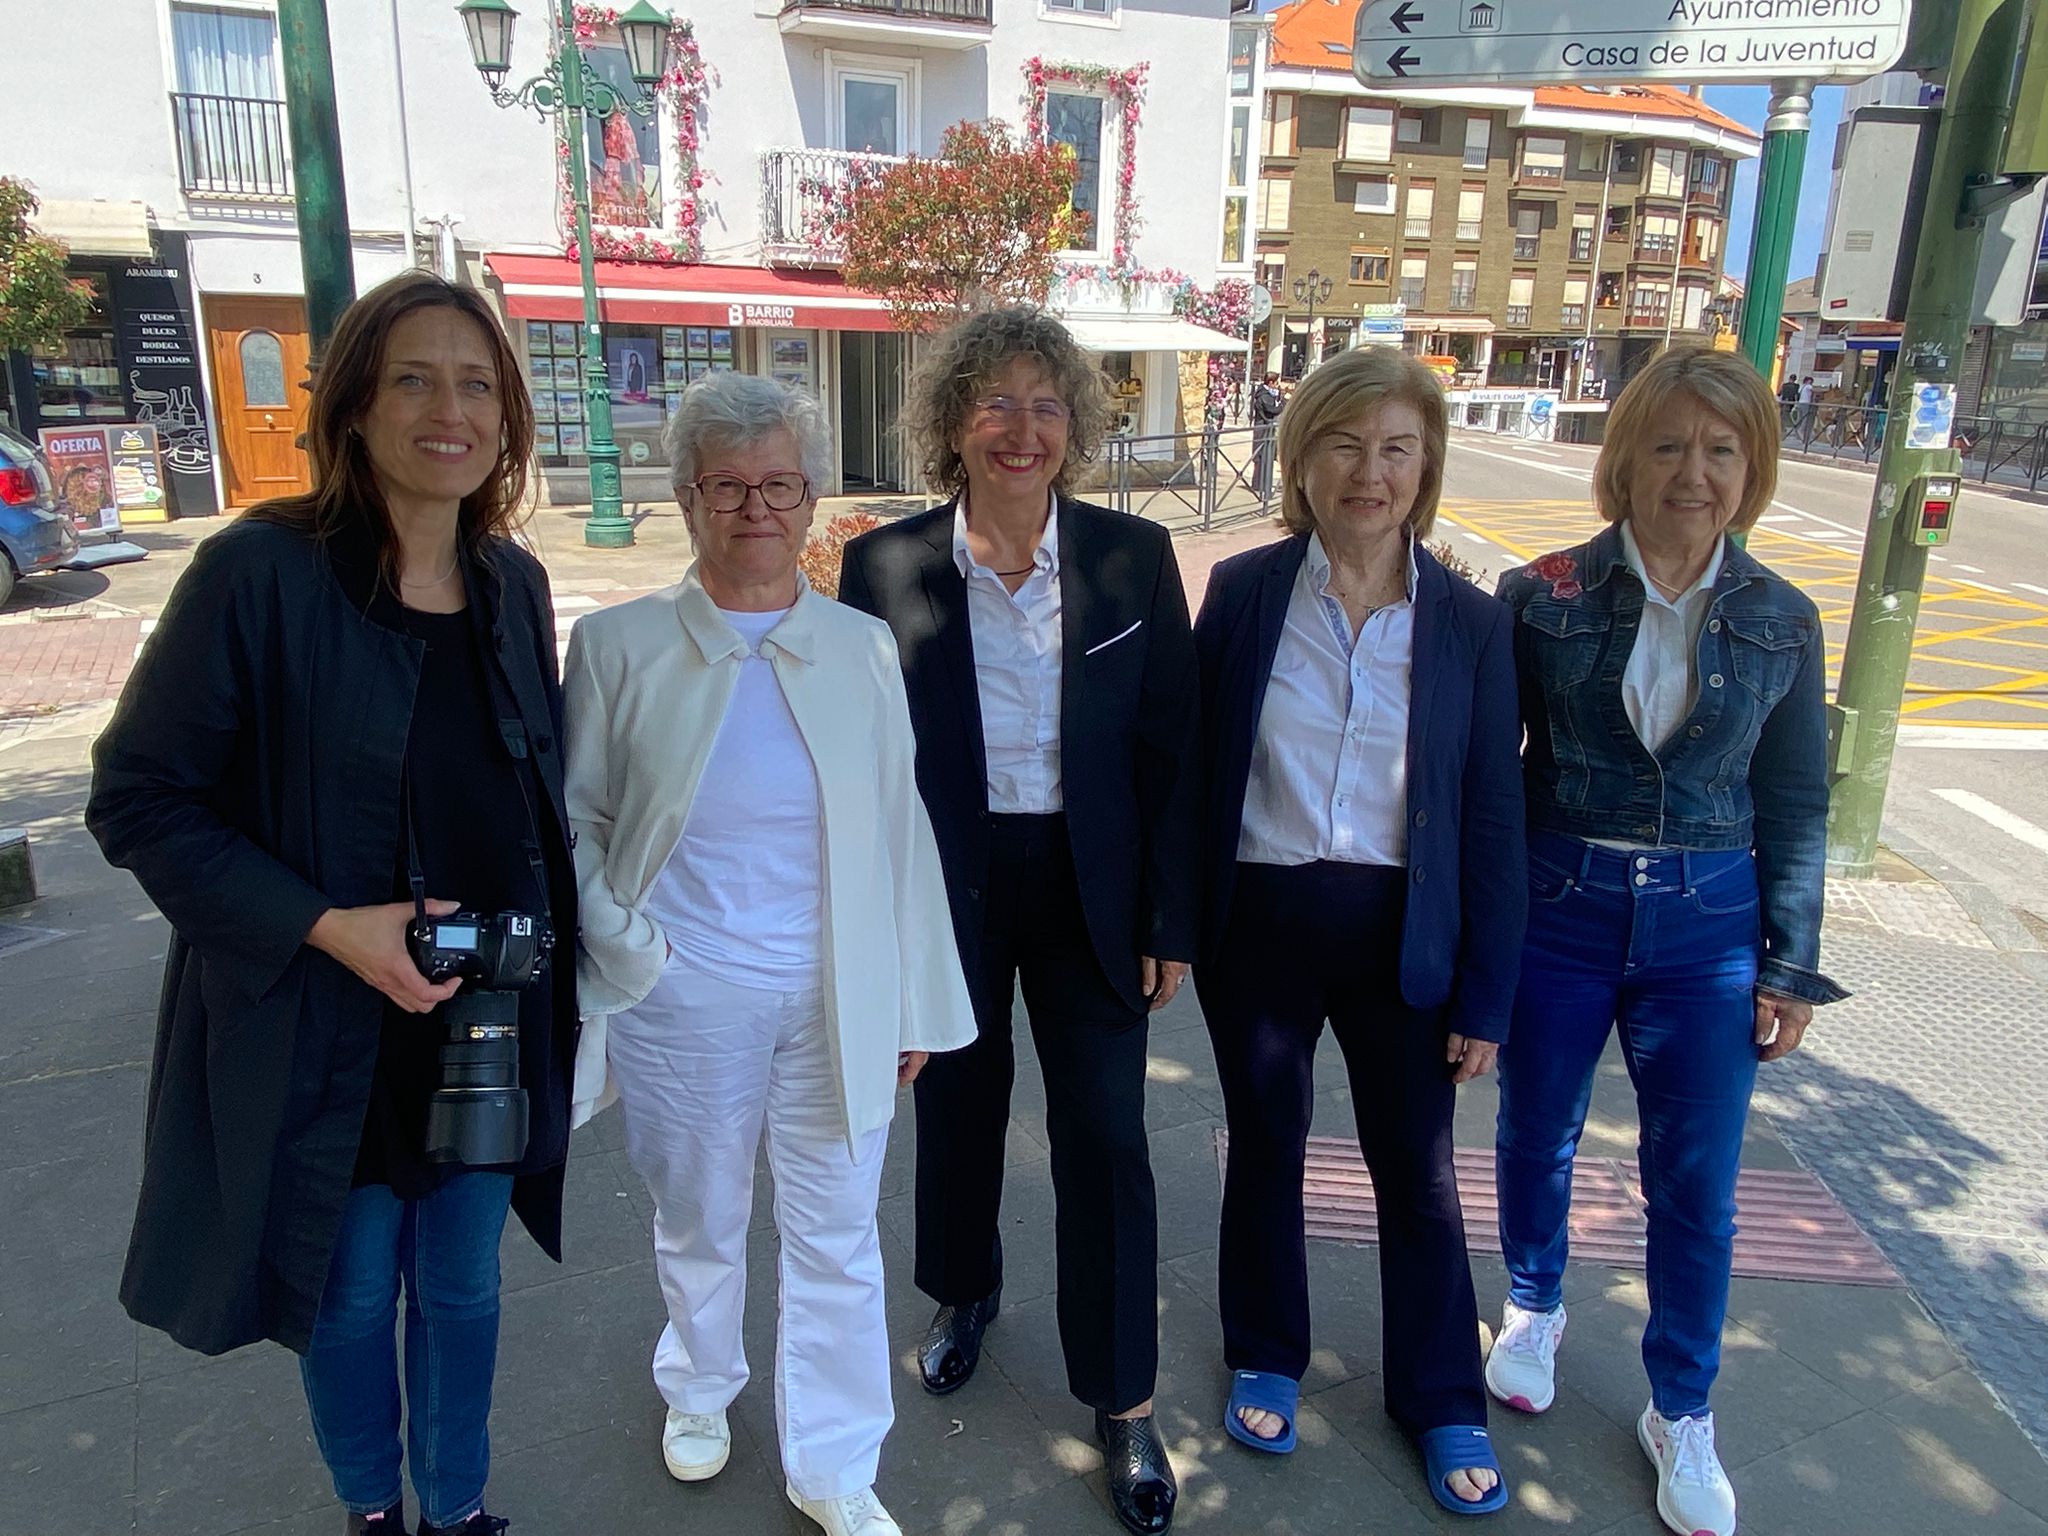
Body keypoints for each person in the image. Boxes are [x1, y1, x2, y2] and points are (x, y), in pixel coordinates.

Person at [86, 271, 578, 1536]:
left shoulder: (513, 583)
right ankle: (372, 1510)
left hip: (478, 1017)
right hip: (324, 1022)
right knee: (350, 1294)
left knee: (463, 1289)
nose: (449, 411)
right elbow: (138, 799)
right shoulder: (257, 574)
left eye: (476, 384)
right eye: (413, 378)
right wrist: (328, 926)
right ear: (354, 404)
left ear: (508, 416)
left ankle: (456, 1509)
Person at [563, 371, 976, 1536]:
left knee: (837, 1229)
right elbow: (575, 817)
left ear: (810, 500)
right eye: (727, 486)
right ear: (686, 498)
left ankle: (834, 1462)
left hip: (836, 992)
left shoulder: (859, 646)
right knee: (698, 1213)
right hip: (680, 989)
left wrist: (911, 1001)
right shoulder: (616, 645)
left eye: (780, 485)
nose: (756, 508)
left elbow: (898, 827)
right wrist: (627, 945)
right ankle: (698, 1384)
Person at [838, 306, 1201, 1536]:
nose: (1020, 427)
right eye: (993, 400)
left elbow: (1173, 750)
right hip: (947, 886)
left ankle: (1123, 1397)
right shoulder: (884, 566)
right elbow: (862, 760)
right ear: (952, 420)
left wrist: (1169, 918)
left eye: (1046, 404)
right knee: (957, 1103)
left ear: (1074, 427)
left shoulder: (1131, 557)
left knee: (1105, 1136)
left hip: (1091, 887)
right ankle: (963, 1290)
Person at [1487, 348, 1848, 1536]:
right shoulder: (1539, 594)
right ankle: (1533, 1302)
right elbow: (1492, 776)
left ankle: (1680, 1407)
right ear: (1623, 460)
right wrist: (1481, 930)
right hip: (1559, 903)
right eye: (1668, 445)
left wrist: (1788, 963)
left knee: (1694, 1183)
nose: (1693, 472)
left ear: (1751, 468)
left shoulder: (1781, 618)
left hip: (1708, 925)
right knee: (1534, 1131)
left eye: (1721, 450)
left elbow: (1794, 798)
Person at [1192, 347, 1524, 1516]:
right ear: (1300, 459)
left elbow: (1492, 816)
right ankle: (1264, 1350)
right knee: (1263, 1144)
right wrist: (1172, 924)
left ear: (1425, 466)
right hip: (1260, 922)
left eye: (1394, 449)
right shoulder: (1243, 592)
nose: (1367, 473)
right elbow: (1195, 772)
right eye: (1342, 444)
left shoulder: (1471, 624)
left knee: (1417, 1169)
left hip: (1403, 934)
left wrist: (1488, 994)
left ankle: (1438, 1396)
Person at [1251, 370, 1285, 496]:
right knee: (1262, 456)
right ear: (1270, 383)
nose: (1277, 385)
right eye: (1276, 383)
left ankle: (1262, 484)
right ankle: (1262, 485)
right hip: (1263, 429)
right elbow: (1272, 410)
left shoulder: (1265, 394)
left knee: (1265, 457)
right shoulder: (1264, 395)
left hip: (1264, 428)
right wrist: (1282, 404)